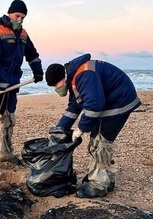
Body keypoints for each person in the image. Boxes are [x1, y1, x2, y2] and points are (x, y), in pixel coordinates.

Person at [45, 53, 141, 198]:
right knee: (97, 138)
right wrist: (60, 129)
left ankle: (98, 184)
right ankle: (104, 176)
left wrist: (80, 129)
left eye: (55, 85)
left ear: (62, 78)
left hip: (119, 101)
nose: (56, 88)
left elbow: (94, 106)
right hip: (111, 100)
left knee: (100, 141)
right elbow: (74, 107)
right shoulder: (74, 79)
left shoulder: (84, 75)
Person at [0, 0, 44, 172]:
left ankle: (5, 153)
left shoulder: (23, 34)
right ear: (10, 13)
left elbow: (32, 53)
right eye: (17, 16)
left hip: (13, 85)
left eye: (23, 17)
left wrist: (37, 70)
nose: (20, 20)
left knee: (9, 119)